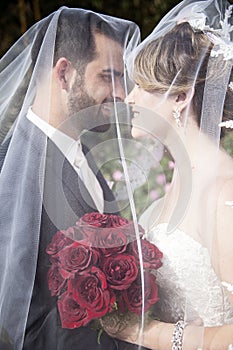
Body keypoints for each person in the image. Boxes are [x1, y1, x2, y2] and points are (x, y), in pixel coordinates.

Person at [0, 7, 141, 350]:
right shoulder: (9, 171)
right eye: (109, 76)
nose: (121, 93)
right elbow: (15, 321)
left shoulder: (86, 153)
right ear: (64, 74)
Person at [103, 0, 233, 349]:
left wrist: (141, 331)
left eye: (142, 86)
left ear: (179, 96)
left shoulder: (224, 195)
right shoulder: (180, 181)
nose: (128, 99)